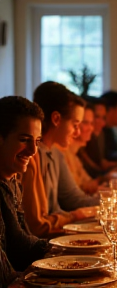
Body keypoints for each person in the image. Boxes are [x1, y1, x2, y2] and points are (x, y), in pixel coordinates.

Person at [21, 81, 99, 239]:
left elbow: (71, 198)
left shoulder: (55, 153)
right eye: (75, 124)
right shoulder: (29, 158)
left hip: (57, 234)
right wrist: (75, 216)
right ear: (56, 119)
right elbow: (36, 225)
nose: (77, 132)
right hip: (46, 242)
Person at [0, 96, 48, 287]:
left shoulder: (12, 181)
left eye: (37, 141)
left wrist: (66, 249)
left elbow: (22, 241)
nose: (32, 151)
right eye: (24, 140)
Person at [60, 103, 99, 194]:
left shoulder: (74, 155)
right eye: (85, 123)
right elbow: (72, 197)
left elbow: (90, 184)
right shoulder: (61, 154)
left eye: (92, 123)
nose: (91, 128)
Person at [78, 97, 117, 178]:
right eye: (97, 117)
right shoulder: (72, 148)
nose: (102, 123)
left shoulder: (98, 136)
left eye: (103, 118)